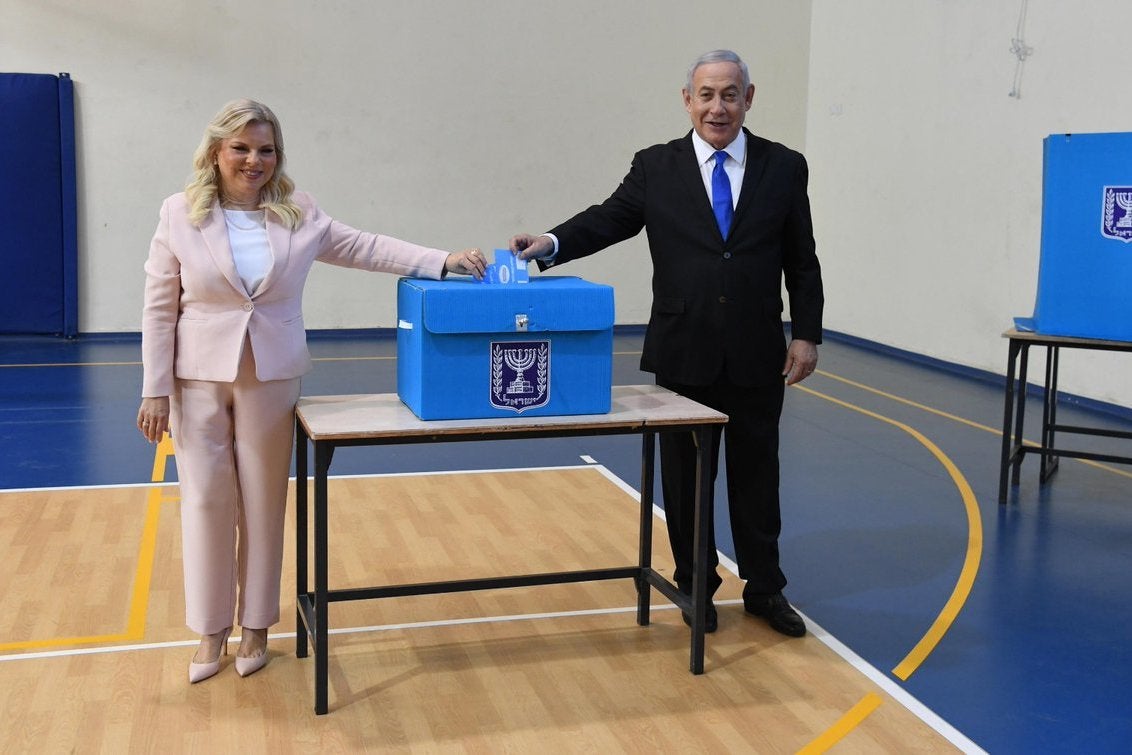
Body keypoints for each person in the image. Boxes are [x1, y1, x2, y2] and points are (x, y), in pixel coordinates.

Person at [137, 99, 486, 683]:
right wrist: (153, 389)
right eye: (242, 149)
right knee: (205, 501)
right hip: (195, 378)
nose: (254, 160)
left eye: (266, 150)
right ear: (217, 153)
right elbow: (156, 307)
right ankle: (209, 630)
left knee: (265, 502)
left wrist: (440, 260)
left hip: (271, 376)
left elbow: (364, 246)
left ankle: (254, 627)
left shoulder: (299, 212)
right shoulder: (179, 214)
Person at [509, 50, 823, 637]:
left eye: (730, 94)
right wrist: (551, 243)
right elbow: (608, 218)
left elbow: (803, 261)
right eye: (706, 94)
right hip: (686, 347)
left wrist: (805, 333)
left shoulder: (785, 166)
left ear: (748, 100)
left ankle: (766, 587)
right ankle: (695, 583)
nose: (717, 106)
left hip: (758, 349)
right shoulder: (656, 166)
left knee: (758, 474)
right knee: (685, 478)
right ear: (687, 101)